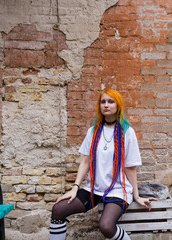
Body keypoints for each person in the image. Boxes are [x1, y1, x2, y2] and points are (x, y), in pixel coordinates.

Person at [49, 89, 157, 240]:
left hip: (118, 190)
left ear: (118, 106)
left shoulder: (127, 132)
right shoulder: (93, 131)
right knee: (58, 210)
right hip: (94, 188)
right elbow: (86, 161)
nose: (106, 105)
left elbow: (130, 167)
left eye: (111, 102)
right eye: (103, 102)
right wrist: (75, 188)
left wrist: (136, 195)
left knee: (106, 226)